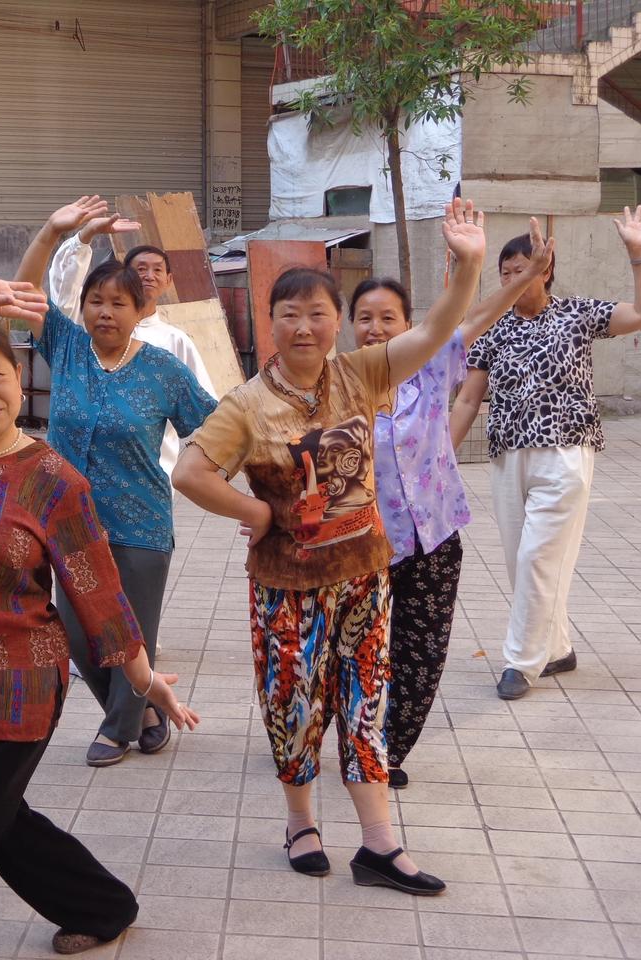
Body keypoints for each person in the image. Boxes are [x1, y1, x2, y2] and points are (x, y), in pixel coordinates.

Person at [0, 278, 199, 959]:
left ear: (22, 381)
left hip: (16, 687)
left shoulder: (53, 480)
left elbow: (100, 594)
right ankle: (102, 905)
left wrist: (144, 683)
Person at [173, 197, 488, 896]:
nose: (307, 326)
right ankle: (300, 823)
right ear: (272, 325)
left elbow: (437, 330)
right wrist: (255, 510)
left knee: (367, 701)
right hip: (287, 591)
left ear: (335, 322)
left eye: (319, 313)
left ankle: (378, 844)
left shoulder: (362, 375)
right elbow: (190, 472)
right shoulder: (248, 404)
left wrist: (467, 265)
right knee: (295, 706)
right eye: (292, 314)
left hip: (364, 577)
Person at [349, 218, 554, 788]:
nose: (375, 327)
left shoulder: (432, 369)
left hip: (435, 539)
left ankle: (387, 752)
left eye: (388, 317)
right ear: (350, 327)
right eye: (364, 318)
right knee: (361, 651)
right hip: (363, 547)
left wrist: (517, 276)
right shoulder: (338, 386)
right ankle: (348, 736)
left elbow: (472, 318)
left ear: (408, 324)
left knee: (420, 656)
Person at [15, 197, 217, 767]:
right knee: (79, 636)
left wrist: (224, 485)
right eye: (96, 301)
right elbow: (25, 292)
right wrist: (55, 231)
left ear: (141, 308)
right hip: (69, 521)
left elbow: (214, 426)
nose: (105, 311)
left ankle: (118, 729)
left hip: (142, 522)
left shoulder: (162, 368)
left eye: (119, 303)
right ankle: (148, 707)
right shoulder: (68, 348)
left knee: (130, 634)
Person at [451, 205, 641, 700]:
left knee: (539, 557)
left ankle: (521, 662)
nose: (513, 279)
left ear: (546, 268)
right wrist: (436, 460)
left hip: (565, 453)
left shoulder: (577, 314)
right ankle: (558, 647)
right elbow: (466, 398)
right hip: (507, 456)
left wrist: (637, 254)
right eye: (505, 273)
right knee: (521, 561)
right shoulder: (493, 329)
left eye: (522, 269)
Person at [47, 216, 217, 475]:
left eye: (157, 270)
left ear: (169, 280)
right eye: (140, 269)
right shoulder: (86, 330)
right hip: (73, 482)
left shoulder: (175, 342)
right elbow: (63, 292)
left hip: (146, 479)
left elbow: (208, 415)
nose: (148, 276)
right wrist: (84, 237)